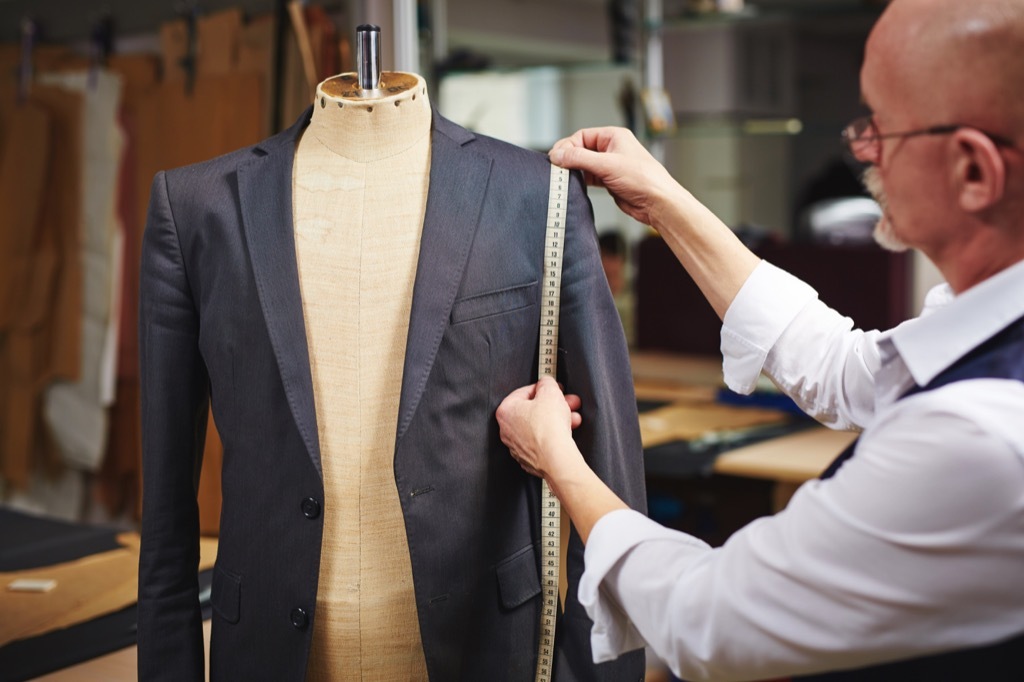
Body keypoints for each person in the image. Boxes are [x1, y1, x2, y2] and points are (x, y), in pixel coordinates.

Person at [496, 0, 1024, 679]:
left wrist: (556, 460)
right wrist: (664, 200)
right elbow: (846, 368)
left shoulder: (979, 437)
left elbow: (707, 619)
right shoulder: (988, 325)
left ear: (974, 172)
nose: (861, 148)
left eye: (882, 128)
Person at [137, 66, 646, 680]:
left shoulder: (537, 194)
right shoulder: (197, 208)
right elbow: (166, 508)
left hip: (485, 646)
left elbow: (610, 460)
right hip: (267, 651)